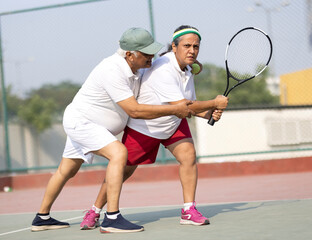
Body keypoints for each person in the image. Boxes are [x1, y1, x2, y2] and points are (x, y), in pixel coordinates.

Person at [31, 27, 194, 233]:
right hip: (83, 123)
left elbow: (166, 64)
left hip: (88, 124)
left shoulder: (138, 66)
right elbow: (134, 110)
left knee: (67, 170)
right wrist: (174, 109)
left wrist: (191, 66)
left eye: (152, 51)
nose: (150, 56)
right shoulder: (111, 70)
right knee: (119, 152)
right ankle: (112, 218)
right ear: (129, 54)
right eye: (146, 53)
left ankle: (41, 217)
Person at [80, 25, 229, 230]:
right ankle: (95, 210)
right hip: (145, 127)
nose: (192, 50)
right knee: (123, 171)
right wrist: (214, 103)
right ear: (174, 47)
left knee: (188, 156)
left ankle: (188, 209)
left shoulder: (187, 69)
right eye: (186, 45)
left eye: (196, 46)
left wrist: (208, 114)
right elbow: (182, 106)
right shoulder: (162, 68)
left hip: (173, 122)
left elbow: (189, 107)